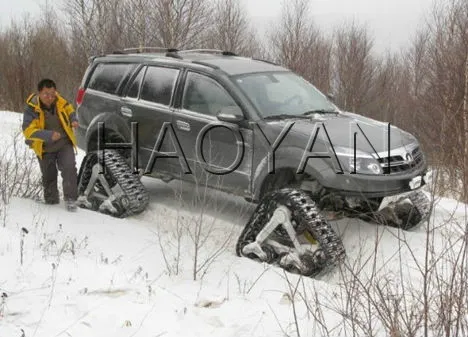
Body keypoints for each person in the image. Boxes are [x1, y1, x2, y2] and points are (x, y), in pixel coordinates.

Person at [22, 78, 79, 211]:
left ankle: (71, 200)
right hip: (45, 147)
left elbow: (69, 108)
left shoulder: (59, 101)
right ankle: (51, 201)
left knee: (69, 168)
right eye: (46, 94)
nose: (50, 98)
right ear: (39, 93)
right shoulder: (32, 108)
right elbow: (28, 131)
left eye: (52, 94)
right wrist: (48, 135)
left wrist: (73, 119)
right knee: (49, 175)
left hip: (64, 143)